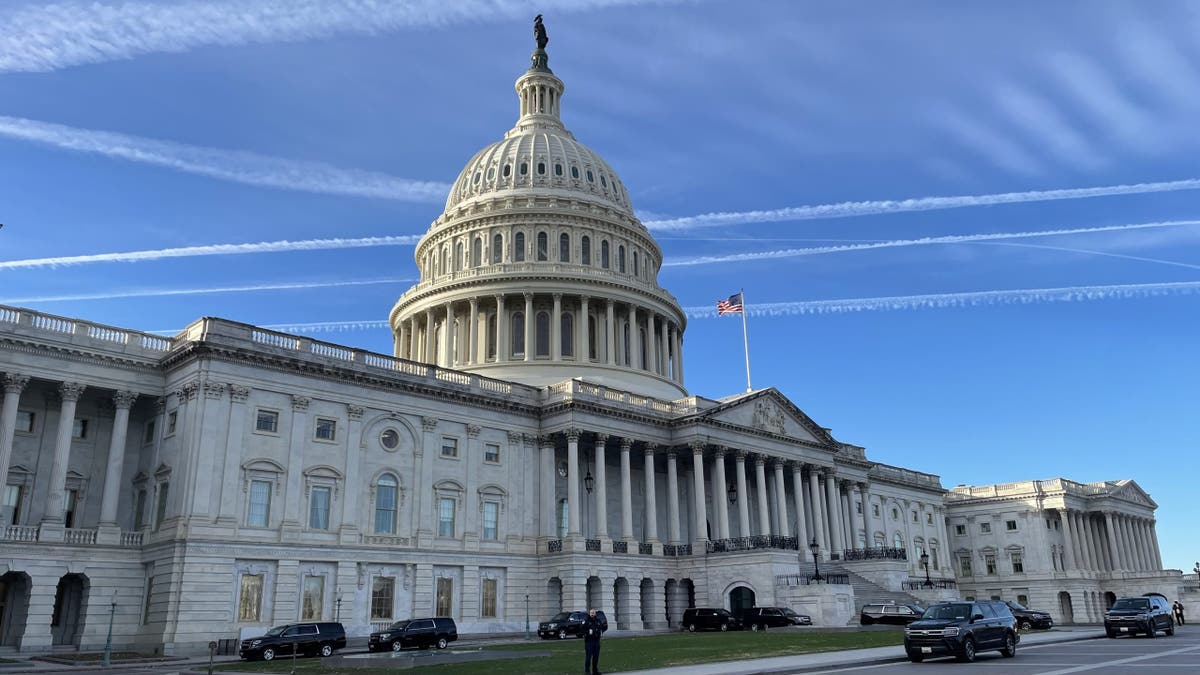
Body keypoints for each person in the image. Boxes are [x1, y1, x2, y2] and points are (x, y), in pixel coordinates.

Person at [583, 608, 606, 675]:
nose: (592, 614)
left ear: (595, 614)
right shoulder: (586, 621)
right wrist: (587, 633)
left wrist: (600, 633)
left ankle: (595, 671)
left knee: (596, 657)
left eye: (593, 613)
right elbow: (582, 629)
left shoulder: (598, 621)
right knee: (588, 657)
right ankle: (587, 671)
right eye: (591, 613)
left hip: (596, 641)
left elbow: (602, 628)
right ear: (589, 613)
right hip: (589, 642)